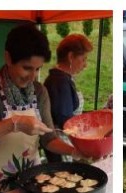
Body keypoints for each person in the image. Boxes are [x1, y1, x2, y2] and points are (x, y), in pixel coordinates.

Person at [0, 24, 79, 191]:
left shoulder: (39, 91)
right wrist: (15, 123)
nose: (32, 76)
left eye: (37, 69)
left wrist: (75, 151)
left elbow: (49, 139)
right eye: (27, 68)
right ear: (8, 58)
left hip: (32, 185)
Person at [44, 33, 93, 163]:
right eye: (83, 59)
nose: (85, 64)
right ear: (71, 57)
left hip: (65, 140)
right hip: (60, 143)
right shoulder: (59, 82)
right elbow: (65, 120)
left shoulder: (63, 78)